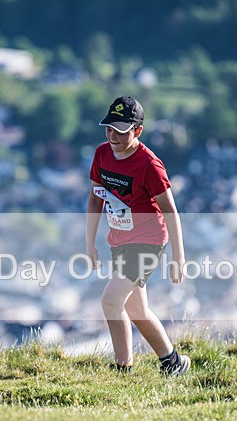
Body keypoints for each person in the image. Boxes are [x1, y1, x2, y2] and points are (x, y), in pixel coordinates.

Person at [86, 95, 190, 376]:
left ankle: (123, 370)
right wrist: (90, 243)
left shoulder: (149, 165)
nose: (113, 135)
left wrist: (178, 258)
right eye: (109, 128)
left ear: (137, 131)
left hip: (149, 241)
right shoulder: (101, 154)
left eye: (121, 130)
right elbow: (95, 198)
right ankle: (174, 363)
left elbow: (171, 211)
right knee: (137, 311)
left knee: (110, 300)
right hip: (119, 240)